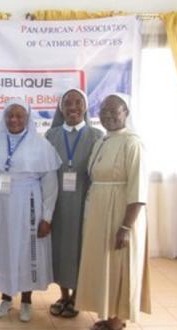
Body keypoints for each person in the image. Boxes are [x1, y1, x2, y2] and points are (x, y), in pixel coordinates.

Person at [0, 99, 61, 322]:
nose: (14, 120)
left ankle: (26, 300)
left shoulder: (41, 145)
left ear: (27, 118)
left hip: (29, 205)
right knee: (3, 248)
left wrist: (47, 217)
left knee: (27, 250)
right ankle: (5, 298)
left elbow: (51, 186)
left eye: (19, 115)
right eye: (10, 115)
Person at [75, 93, 150, 330]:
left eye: (113, 111)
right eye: (104, 111)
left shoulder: (133, 143)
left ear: (126, 113)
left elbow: (138, 191)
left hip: (121, 213)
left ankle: (118, 323)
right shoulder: (102, 141)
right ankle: (108, 316)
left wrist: (126, 227)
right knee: (104, 264)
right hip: (99, 212)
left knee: (120, 264)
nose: (107, 115)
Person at [45, 89, 104, 318]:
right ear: (61, 108)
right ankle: (64, 295)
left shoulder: (97, 136)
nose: (72, 107)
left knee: (81, 247)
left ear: (85, 107)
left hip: (84, 203)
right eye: (67, 103)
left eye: (78, 102)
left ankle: (79, 295)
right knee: (60, 249)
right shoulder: (51, 136)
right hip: (58, 203)